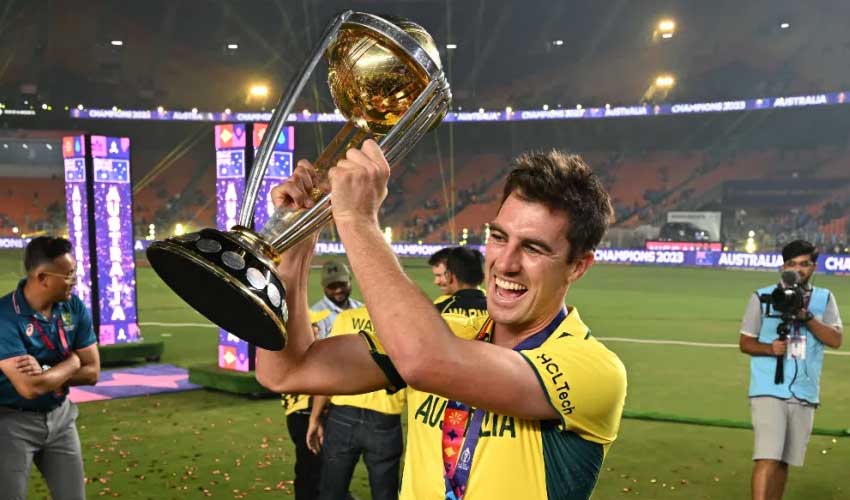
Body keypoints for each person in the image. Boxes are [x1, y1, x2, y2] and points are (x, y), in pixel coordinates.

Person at [256, 142, 627, 500]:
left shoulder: (594, 371)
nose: (505, 263)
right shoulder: (450, 329)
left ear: (578, 265)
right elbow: (286, 370)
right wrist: (296, 245)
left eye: (533, 248)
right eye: (499, 237)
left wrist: (357, 219)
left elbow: (425, 361)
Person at [739, 239, 843, 500]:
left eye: (804, 264)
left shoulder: (824, 298)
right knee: (767, 457)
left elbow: (835, 340)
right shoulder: (762, 297)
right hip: (769, 387)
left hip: (805, 390)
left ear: (814, 267)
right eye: (792, 264)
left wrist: (806, 317)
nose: (798, 270)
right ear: (783, 267)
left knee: (784, 461)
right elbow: (745, 342)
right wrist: (769, 348)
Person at [0, 236, 101, 500]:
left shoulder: (73, 306)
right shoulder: (4, 317)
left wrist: (46, 372)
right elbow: (30, 388)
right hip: (11, 422)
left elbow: (92, 372)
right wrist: (73, 362)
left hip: (60, 418)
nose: (74, 280)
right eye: (68, 275)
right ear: (43, 277)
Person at [306, 306, 406, 500]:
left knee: (331, 491)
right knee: (385, 494)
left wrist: (314, 417)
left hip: (343, 416)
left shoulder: (346, 318)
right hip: (384, 418)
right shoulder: (404, 323)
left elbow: (330, 370)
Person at [281, 308, 330, 500]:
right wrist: (315, 418)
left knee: (311, 467)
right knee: (311, 469)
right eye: (313, 325)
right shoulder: (310, 355)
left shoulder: (289, 353)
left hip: (296, 416)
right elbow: (323, 387)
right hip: (307, 416)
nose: (317, 328)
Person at [311, 260, 363, 339]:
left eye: (342, 284)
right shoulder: (316, 316)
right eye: (332, 286)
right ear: (323, 286)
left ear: (350, 280)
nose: (338, 290)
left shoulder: (361, 308)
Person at [431, 246, 487, 318]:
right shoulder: (495, 308)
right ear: (483, 277)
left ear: (449, 275)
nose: (436, 282)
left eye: (440, 275)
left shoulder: (438, 311)